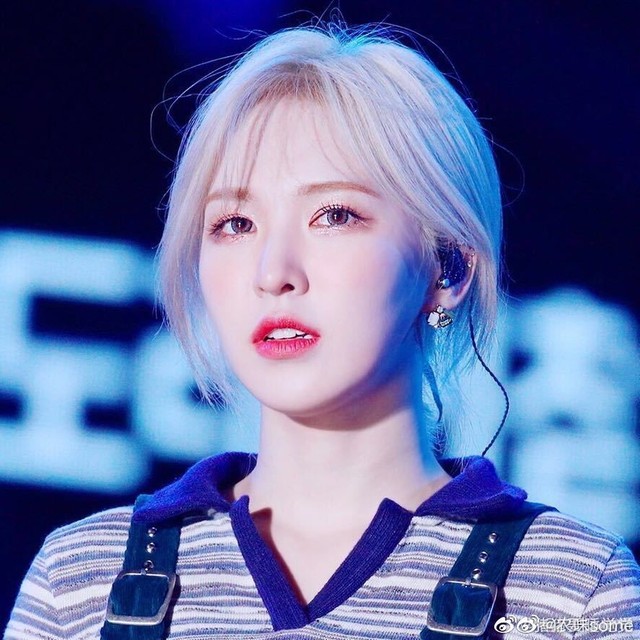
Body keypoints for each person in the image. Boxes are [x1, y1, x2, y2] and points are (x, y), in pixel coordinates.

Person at [6, 22, 640, 640]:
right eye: (234, 224)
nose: (273, 273)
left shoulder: (567, 588)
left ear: (446, 266)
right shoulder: (83, 579)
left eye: (334, 215)